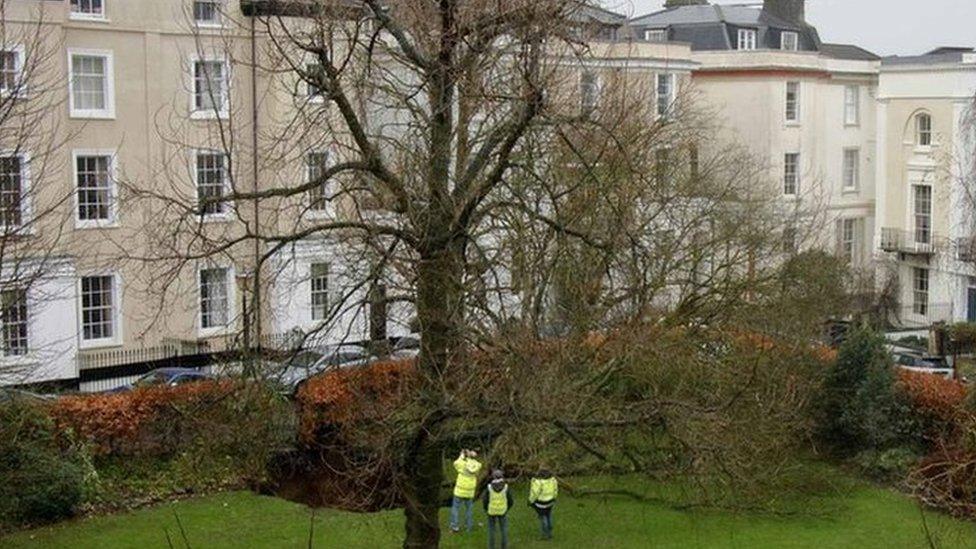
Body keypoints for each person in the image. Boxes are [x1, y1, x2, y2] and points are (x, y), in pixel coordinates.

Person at [450, 449, 482, 533]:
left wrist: (461, 456)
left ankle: (455, 527)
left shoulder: (462, 464)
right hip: (470, 491)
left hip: (460, 490)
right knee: (469, 509)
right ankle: (468, 526)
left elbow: (455, 463)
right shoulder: (477, 465)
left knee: (455, 508)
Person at [482, 469, 514, 549]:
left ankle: (491, 547)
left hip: (491, 511)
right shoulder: (506, 487)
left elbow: (485, 500)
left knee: (491, 530)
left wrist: (486, 509)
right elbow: (511, 501)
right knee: (503, 530)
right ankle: (504, 546)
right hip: (502, 510)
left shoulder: (489, 487)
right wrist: (506, 508)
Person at [529, 469, 558, 540]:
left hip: (541, 503)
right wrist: (554, 498)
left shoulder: (538, 483)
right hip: (550, 502)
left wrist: (530, 501)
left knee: (543, 518)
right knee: (549, 516)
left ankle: (545, 535)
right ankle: (550, 532)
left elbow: (534, 493)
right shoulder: (553, 481)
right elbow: (555, 490)